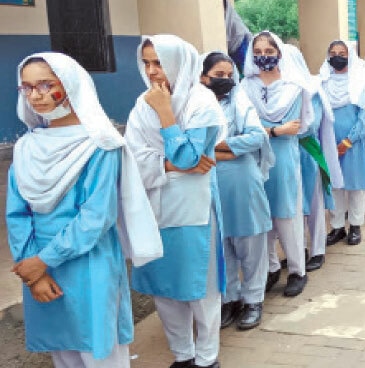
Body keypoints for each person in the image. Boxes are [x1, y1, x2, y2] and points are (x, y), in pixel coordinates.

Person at [7, 52, 161, 368]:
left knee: (100, 353)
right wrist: (34, 272)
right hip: (41, 268)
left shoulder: (100, 145)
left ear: (72, 86)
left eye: (47, 85)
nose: (36, 96)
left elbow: (96, 217)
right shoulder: (26, 147)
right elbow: (18, 214)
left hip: (90, 263)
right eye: (27, 87)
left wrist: (42, 261)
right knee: (63, 352)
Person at [126, 35, 228, 368]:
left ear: (179, 63)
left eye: (159, 62)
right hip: (154, 207)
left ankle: (207, 358)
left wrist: (167, 114)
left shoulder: (202, 103)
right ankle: (183, 354)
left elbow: (187, 156)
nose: (153, 71)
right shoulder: (143, 104)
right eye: (147, 63)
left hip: (193, 208)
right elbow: (131, 158)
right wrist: (169, 164)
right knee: (164, 286)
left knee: (200, 286)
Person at [199, 52, 273, 331]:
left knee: (250, 241)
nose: (226, 80)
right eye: (219, 75)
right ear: (203, 77)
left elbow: (256, 137)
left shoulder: (240, 101)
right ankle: (230, 298)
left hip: (241, 181)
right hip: (209, 182)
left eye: (230, 75)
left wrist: (213, 149)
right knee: (222, 243)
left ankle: (254, 299)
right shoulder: (194, 105)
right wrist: (227, 151)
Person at [239, 31, 313, 298]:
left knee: (287, 214)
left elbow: (301, 125)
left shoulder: (294, 86)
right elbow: (243, 124)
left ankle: (297, 271)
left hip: (283, 157)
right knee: (262, 215)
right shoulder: (246, 87)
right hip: (253, 155)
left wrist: (269, 130)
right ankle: (270, 268)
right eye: (258, 51)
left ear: (279, 53)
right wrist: (274, 130)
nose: (263, 57)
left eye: (269, 52)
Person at [280, 44, 342, 272]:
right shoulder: (274, 89)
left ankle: (317, 249)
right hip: (283, 151)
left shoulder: (311, 88)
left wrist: (283, 129)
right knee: (290, 206)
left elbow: (311, 123)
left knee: (313, 203)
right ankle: (297, 250)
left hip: (305, 150)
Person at [322, 40, 365, 246]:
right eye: (333, 52)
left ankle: (355, 225)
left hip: (352, 143)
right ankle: (337, 227)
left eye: (342, 53)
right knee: (335, 185)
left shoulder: (359, 81)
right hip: (328, 142)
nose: (337, 56)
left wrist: (347, 141)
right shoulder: (323, 81)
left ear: (350, 56)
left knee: (355, 186)